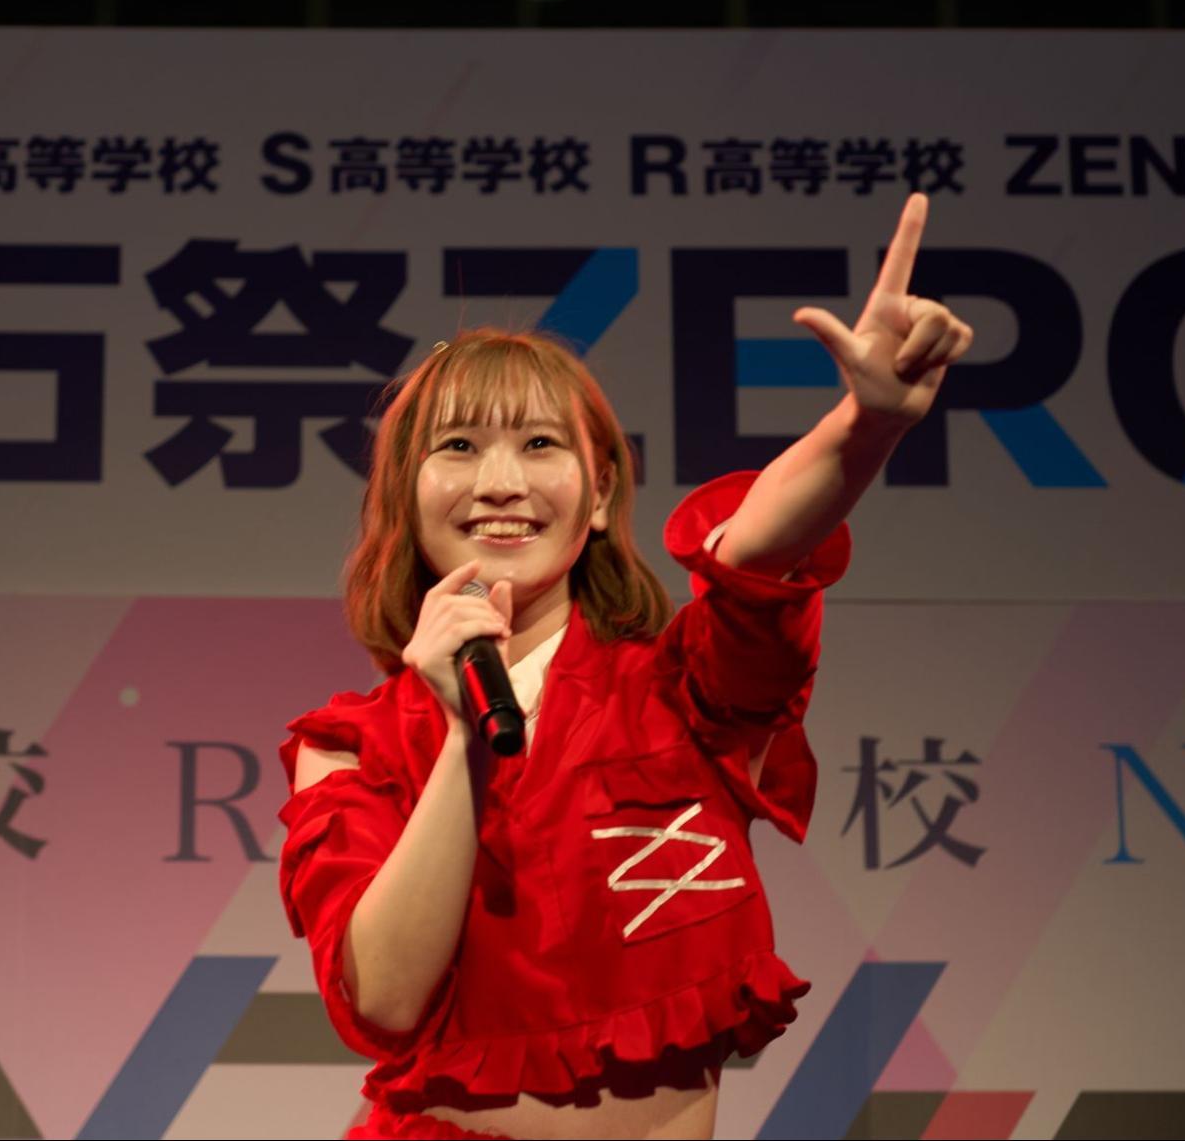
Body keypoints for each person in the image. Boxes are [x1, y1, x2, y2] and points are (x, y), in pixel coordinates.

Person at [279, 194, 973, 1140]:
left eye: (538, 444)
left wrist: (863, 427)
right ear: (406, 493)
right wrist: (461, 744)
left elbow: (755, 553)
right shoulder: (349, 746)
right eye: (458, 447)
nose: (500, 483)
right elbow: (385, 1002)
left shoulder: (682, 688)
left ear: (600, 491)